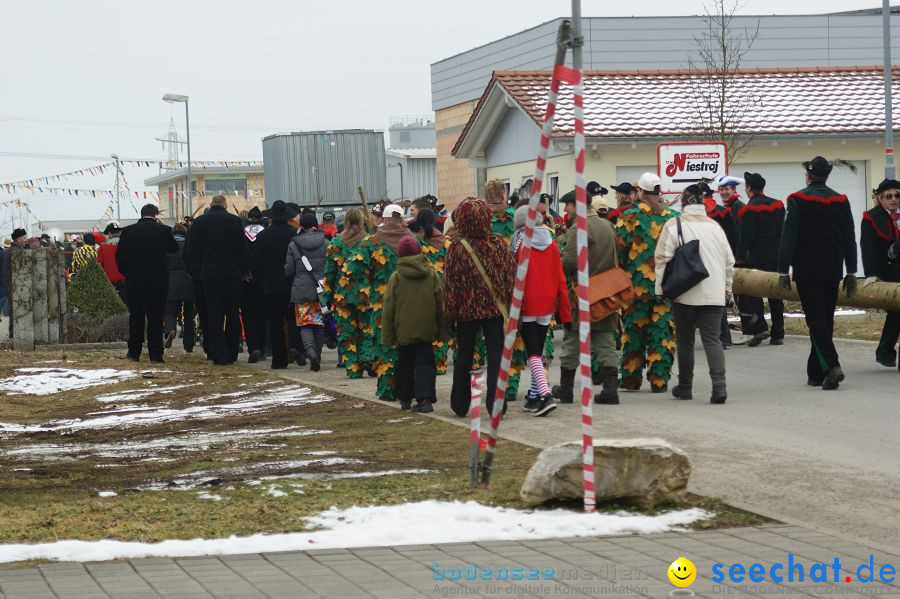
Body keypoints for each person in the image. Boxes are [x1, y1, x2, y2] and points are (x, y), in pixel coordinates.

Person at [777, 157, 858, 390]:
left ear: (809, 176)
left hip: (807, 269)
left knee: (816, 319)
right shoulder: (841, 201)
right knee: (825, 317)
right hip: (833, 268)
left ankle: (832, 367)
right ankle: (816, 372)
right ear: (827, 176)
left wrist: (783, 270)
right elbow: (849, 238)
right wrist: (851, 271)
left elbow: (788, 237)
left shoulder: (797, 200)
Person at [655, 184, 735, 404]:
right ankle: (719, 387)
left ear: (684, 201)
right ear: (702, 202)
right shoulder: (715, 227)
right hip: (714, 293)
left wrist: (660, 289)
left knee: (685, 340)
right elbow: (729, 262)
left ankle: (685, 386)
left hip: (684, 292)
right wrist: (727, 289)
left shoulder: (674, 225)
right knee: (713, 340)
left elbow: (662, 258)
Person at [444, 198, 515, 417]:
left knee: (463, 356)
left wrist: (450, 315)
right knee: (496, 356)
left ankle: (460, 403)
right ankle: (497, 404)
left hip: (466, 312)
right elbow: (509, 279)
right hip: (495, 311)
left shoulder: (456, 248)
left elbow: (450, 286)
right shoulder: (498, 245)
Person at [554, 192, 622, 405]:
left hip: (583, 294)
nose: (565, 210)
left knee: (573, 341)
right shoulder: (606, 225)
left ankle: (566, 390)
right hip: (607, 292)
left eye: (568, 205)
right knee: (605, 342)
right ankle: (611, 391)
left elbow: (569, 262)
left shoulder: (579, 228)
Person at [615, 172, 676, 392]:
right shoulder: (672, 216)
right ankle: (659, 380)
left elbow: (619, 252)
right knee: (662, 331)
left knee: (633, 332)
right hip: (667, 284)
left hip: (637, 286)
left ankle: (631, 378)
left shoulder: (628, 217)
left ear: (640, 192)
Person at [382, 236, 449, 413]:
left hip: (403, 329)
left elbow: (389, 307)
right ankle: (425, 399)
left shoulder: (396, 277)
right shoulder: (431, 274)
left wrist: (388, 336)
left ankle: (405, 398)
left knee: (404, 364)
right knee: (425, 364)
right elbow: (440, 304)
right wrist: (442, 331)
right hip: (426, 328)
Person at [515, 207, 570, 417]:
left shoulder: (519, 244)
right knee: (537, 351)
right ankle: (534, 395)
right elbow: (560, 280)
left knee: (533, 353)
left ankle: (545, 395)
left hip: (527, 303)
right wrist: (565, 314)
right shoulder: (552, 243)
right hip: (547, 305)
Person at [186, 194, 249, 366]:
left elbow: (192, 250)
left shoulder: (199, 222)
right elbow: (242, 249)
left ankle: (217, 353)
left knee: (214, 313)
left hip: (210, 275)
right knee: (232, 313)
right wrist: (242, 270)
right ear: (225, 205)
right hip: (232, 275)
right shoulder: (235, 221)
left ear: (211, 205)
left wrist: (200, 267)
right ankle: (232, 352)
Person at [356, 204, 410, 399]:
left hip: (382, 304)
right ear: (402, 219)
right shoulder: (413, 241)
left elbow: (355, 270)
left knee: (385, 345)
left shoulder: (371, 242)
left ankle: (387, 390)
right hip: (409, 302)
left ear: (384, 220)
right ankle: (407, 389)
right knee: (408, 346)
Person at [115, 204, 178, 363]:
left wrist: (127, 273)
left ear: (141, 214)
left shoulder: (128, 231)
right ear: (156, 215)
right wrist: (164, 229)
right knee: (156, 318)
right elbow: (174, 248)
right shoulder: (163, 230)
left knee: (136, 317)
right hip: (158, 282)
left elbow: (120, 257)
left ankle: (134, 352)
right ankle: (156, 354)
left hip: (135, 281)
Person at [737, 172, 786, 347]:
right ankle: (778, 333)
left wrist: (740, 259)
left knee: (754, 293)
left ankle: (761, 327)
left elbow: (746, 237)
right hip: (777, 256)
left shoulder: (749, 209)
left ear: (748, 188)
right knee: (775, 294)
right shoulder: (778, 205)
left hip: (758, 256)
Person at [251, 200, 300, 369]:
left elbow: (256, 262)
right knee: (294, 319)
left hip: (271, 284)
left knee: (275, 322)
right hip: (292, 282)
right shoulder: (294, 233)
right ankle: (295, 347)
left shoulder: (264, 235)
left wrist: (259, 280)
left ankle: (279, 359)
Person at [324, 207, 372, 378]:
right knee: (366, 328)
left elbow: (329, 272)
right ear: (362, 221)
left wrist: (327, 297)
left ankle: (353, 367)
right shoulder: (369, 242)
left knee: (346, 332)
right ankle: (367, 357)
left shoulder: (336, 243)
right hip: (365, 293)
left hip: (342, 294)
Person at [860, 178, 900, 369]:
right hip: (886, 271)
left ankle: (885, 351)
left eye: (897, 195)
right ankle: (885, 351)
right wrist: (871, 273)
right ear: (880, 198)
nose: (894, 200)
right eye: (889, 196)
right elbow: (867, 248)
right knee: (896, 311)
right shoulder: (872, 217)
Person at [285, 212, 329, 371]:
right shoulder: (325, 243)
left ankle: (310, 352)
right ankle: (317, 354)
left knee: (305, 324)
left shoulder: (293, 244)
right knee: (318, 323)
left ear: (301, 225)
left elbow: (289, 270)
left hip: (301, 289)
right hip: (321, 290)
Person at [701, 182, 740, 348]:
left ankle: (712, 336)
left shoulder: (696, 214)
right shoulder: (724, 212)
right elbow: (735, 237)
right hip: (721, 260)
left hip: (701, 261)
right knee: (720, 298)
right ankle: (724, 337)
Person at [241, 206, 267, 363]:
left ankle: (253, 347)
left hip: (246, 279)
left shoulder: (242, 233)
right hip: (262, 279)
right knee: (262, 316)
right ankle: (263, 348)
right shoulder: (265, 232)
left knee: (248, 316)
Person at [164, 223, 195, 352]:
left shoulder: (168, 247)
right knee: (189, 314)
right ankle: (188, 344)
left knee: (170, 311)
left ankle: (170, 330)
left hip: (171, 281)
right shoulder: (189, 246)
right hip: (188, 281)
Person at [2, 229, 28, 337]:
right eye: (24, 238)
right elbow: (7, 272)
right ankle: (13, 335)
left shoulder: (11, 251)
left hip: (12, 286)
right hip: (14, 286)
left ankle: (13, 335)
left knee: (14, 312)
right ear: (18, 239)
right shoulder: (15, 252)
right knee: (15, 312)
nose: (26, 240)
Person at [96, 224, 126, 302]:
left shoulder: (103, 247)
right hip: (126, 280)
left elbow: (99, 264)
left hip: (109, 280)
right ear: (120, 232)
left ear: (109, 234)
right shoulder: (128, 245)